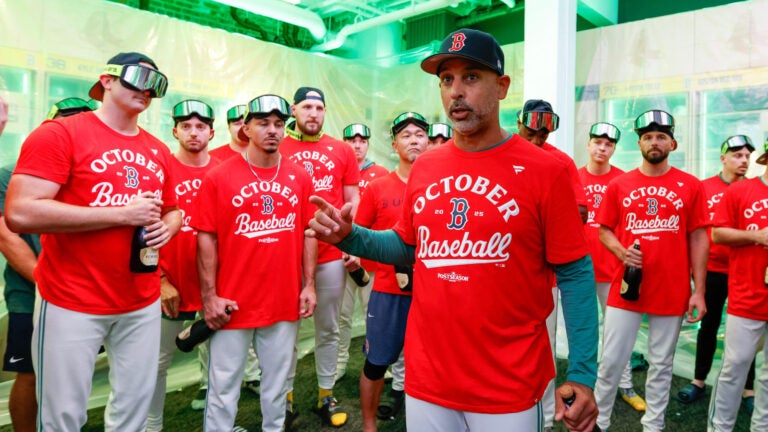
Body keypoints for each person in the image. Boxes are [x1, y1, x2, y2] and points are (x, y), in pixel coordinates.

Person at [307, 28, 599, 432]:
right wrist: (352, 237)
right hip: (429, 380)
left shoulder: (546, 170)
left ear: (502, 86)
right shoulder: (427, 165)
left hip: (507, 383)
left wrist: (583, 372)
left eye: (471, 77)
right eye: (447, 80)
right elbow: (408, 245)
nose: (455, 92)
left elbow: (575, 272)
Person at [4, 52, 181, 431]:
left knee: (133, 409)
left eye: (156, 82)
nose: (146, 89)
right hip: (73, 299)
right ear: (108, 80)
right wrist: (120, 215)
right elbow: (20, 212)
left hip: (140, 299)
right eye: (137, 77)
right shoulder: (60, 133)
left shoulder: (158, 149)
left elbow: (173, 208)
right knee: (63, 415)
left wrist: (171, 225)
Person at [193, 94, 317, 432]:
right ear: (246, 128)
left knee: (277, 388)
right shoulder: (218, 177)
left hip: (282, 299)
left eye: (279, 124)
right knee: (223, 389)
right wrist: (209, 297)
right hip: (232, 302)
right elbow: (206, 238)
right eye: (263, 123)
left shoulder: (299, 176)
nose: (272, 130)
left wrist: (308, 285)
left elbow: (308, 232)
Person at [593, 109, 708, 431]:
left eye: (660, 136)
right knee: (612, 361)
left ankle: (653, 425)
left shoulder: (691, 185)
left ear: (672, 142)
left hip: (671, 289)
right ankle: (598, 422)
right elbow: (604, 229)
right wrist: (621, 252)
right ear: (639, 143)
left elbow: (699, 236)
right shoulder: (619, 184)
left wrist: (698, 290)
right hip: (627, 288)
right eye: (647, 137)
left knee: (662, 365)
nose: (654, 142)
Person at [0, 96, 93, 432]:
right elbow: (7, 237)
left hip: (85, 293)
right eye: (64, 119)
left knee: (72, 371)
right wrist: (48, 280)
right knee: (29, 372)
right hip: (31, 290)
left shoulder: (94, 174)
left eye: (80, 120)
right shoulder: (9, 174)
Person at [280, 86, 360, 427]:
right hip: (284, 256)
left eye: (319, 107)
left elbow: (352, 203)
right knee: (285, 332)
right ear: (295, 110)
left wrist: (351, 246)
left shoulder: (342, 150)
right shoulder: (278, 146)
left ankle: (325, 395)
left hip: (329, 254)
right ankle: (282, 399)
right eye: (307, 107)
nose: (313, 113)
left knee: (328, 329)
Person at [145, 99, 224, 431]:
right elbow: (143, 230)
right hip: (170, 286)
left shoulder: (223, 172)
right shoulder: (160, 168)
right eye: (187, 126)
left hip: (216, 286)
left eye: (201, 126)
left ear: (211, 132)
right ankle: (152, 426)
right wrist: (160, 280)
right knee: (157, 363)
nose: (194, 132)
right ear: (175, 130)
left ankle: (218, 424)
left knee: (221, 363)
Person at [516, 98, 588, 430]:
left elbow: (581, 212)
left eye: (542, 136)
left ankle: (543, 418)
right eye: (531, 134)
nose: (536, 142)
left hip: (546, 278)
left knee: (542, 350)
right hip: (503, 270)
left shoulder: (561, 162)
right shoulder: (500, 153)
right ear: (519, 124)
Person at [356, 111, 428, 432]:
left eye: (419, 134)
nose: (414, 139)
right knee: (376, 362)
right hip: (388, 291)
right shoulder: (377, 187)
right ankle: (369, 425)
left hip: (432, 290)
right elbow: (358, 234)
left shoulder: (441, 185)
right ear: (394, 143)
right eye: (406, 135)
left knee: (428, 365)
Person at [678, 135, 757, 410]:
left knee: (747, 334)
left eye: (747, 156)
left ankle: (748, 389)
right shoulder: (704, 188)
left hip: (744, 273)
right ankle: (699, 380)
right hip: (712, 270)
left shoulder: (754, 190)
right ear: (723, 158)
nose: (743, 160)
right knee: (707, 326)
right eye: (737, 155)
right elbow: (692, 231)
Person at [578, 122, 646, 412]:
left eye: (608, 144)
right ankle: (586, 384)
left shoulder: (624, 180)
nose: (602, 148)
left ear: (614, 148)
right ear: (589, 144)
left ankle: (625, 384)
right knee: (583, 330)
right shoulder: (573, 176)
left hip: (614, 269)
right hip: (579, 269)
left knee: (621, 332)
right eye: (597, 142)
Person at [707, 137, 768, 432]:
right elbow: (718, 234)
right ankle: (720, 427)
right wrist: (757, 237)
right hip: (747, 297)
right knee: (734, 368)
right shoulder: (742, 191)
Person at [336, 122, 389, 382]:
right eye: (351, 140)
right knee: (341, 316)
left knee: (374, 314)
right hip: (341, 258)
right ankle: (339, 363)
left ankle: (376, 363)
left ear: (368, 143)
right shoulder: (336, 171)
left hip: (371, 260)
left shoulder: (380, 172)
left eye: (362, 140)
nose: (356, 145)